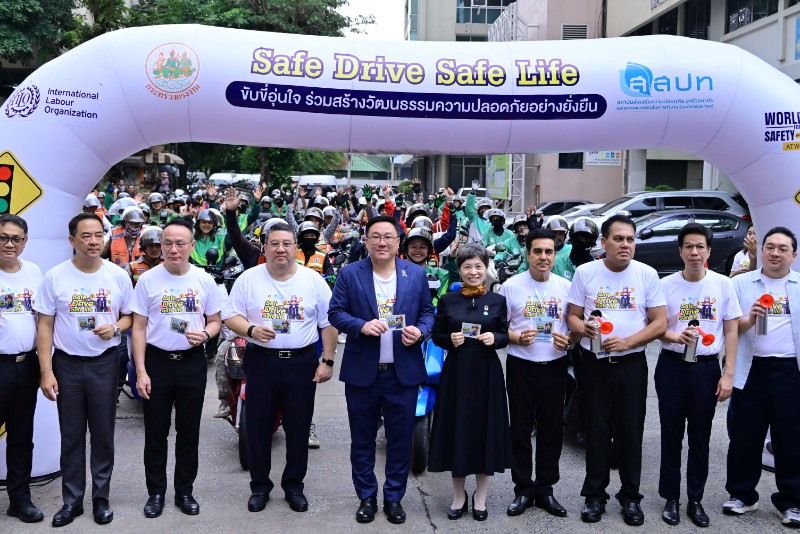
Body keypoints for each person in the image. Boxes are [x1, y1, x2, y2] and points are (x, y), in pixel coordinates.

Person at [223, 222, 337, 513]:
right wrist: (250, 330)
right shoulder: (249, 278)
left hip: (301, 363)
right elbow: (230, 316)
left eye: (287, 243)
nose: (280, 249)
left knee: (299, 427)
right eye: (274, 243)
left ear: (296, 247)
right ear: (265, 247)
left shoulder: (313, 280)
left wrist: (327, 360)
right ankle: (260, 486)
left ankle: (294, 486)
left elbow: (328, 323)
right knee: (258, 427)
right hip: (261, 362)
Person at [328, 215, 435, 524]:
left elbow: (428, 312)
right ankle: (366, 497)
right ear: (366, 241)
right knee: (362, 439)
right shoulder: (350, 273)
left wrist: (421, 331)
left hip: (403, 371)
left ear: (398, 242)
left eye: (388, 236)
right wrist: (361, 325)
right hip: (363, 370)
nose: (382, 242)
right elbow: (335, 312)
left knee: (400, 439)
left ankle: (393, 497)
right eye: (375, 236)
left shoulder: (415, 274)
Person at [566, 214, 666, 527]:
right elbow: (572, 316)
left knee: (630, 431)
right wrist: (582, 329)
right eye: (618, 238)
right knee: (596, 429)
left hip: (631, 364)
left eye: (630, 239)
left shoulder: (647, 274)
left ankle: (630, 497)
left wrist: (627, 343)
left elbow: (660, 322)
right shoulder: (585, 272)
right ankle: (594, 496)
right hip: (593, 364)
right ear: (604, 242)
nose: (625, 245)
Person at [36, 213, 134, 527]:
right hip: (66, 365)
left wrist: (115, 328)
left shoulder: (117, 275)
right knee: (72, 435)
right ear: (72, 240)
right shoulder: (55, 277)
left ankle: (101, 499)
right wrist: (46, 371)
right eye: (86, 236)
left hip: (104, 363)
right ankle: (72, 501)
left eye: (98, 235)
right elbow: (44, 325)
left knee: (103, 434)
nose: (93, 242)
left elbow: (130, 316)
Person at [130, 219, 223, 519]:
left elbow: (216, 321)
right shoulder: (148, 280)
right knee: (155, 433)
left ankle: (184, 491)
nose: (173, 249)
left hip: (191, 363)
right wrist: (141, 371)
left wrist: (206, 334)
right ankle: (156, 492)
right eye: (167, 243)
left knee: (188, 431)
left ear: (191, 246)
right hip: (156, 363)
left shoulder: (204, 280)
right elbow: (138, 328)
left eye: (180, 243)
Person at [656, 223, 741, 527]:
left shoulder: (723, 284)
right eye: (689, 246)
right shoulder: (664, 285)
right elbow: (654, 327)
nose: (694, 252)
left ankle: (695, 498)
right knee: (671, 434)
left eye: (700, 247)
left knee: (700, 436)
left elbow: (731, 330)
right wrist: (673, 336)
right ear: (680, 251)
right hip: (672, 366)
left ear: (709, 252)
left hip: (706, 369)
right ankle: (671, 497)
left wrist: (728, 374)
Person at [428, 242, 511, 521]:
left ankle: (481, 497)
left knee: (485, 430)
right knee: (458, 430)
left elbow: (505, 334)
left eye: (478, 266)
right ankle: (458, 496)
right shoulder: (448, 300)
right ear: (459, 270)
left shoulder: (497, 301)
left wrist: (495, 338)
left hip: (487, 372)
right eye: (467, 267)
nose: (473, 272)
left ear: (486, 268)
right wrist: (449, 339)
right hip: (457, 372)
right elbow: (437, 335)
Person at [724, 226, 800, 528]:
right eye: (770, 247)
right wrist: (749, 319)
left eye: (783, 248)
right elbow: (729, 329)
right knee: (745, 435)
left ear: (794, 255)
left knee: (790, 438)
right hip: (751, 369)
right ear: (761, 250)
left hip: (790, 372)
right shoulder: (741, 284)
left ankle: (791, 501)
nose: (775, 253)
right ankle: (742, 495)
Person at [499, 228, 575, 519]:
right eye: (538, 251)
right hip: (521, 365)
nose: (543, 257)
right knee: (519, 428)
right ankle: (522, 489)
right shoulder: (511, 286)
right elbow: (499, 327)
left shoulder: (566, 287)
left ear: (555, 255)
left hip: (554, 366)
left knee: (551, 429)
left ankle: (545, 489)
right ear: (527, 253)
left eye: (549, 252)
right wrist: (516, 337)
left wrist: (570, 340)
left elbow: (575, 325)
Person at [0, 215, 44, 524]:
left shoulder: (33, 272)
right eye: (3, 237)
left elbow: (42, 320)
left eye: (16, 239)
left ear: (25, 242)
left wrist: (45, 366)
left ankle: (19, 500)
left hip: (26, 366)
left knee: (21, 436)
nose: (9, 244)